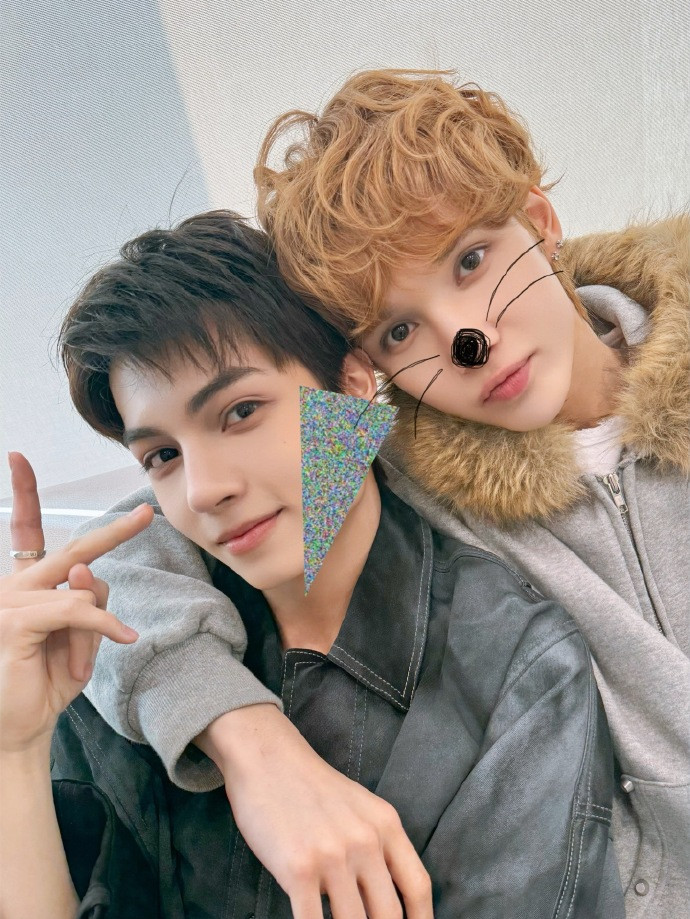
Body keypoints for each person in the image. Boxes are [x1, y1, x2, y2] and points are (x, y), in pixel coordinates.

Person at [1, 211, 621, 918]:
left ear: (353, 385)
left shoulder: (516, 667)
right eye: (163, 455)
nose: (204, 489)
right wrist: (14, 749)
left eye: (240, 412)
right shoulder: (120, 644)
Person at [252, 69, 690, 918]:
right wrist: (251, 743)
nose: (468, 341)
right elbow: (169, 541)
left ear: (539, 222)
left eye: (471, 260)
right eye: (399, 329)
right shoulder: (393, 464)